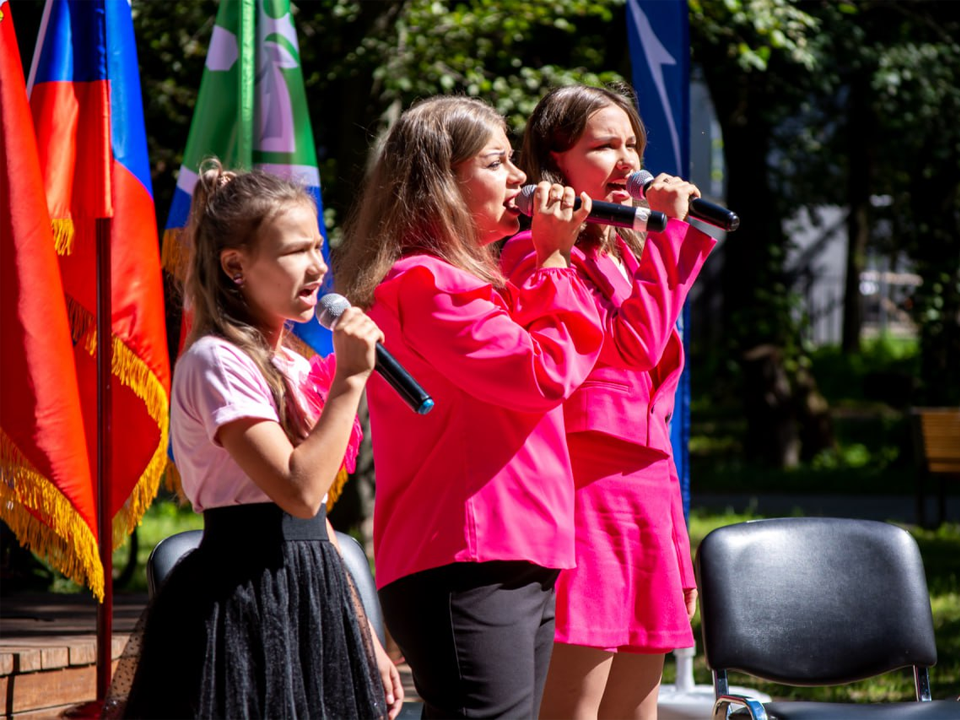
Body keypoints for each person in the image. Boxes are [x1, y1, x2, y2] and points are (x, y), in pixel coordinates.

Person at [334, 95, 604, 719]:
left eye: (515, 161)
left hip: (515, 548)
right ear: (440, 184)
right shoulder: (427, 283)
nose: (521, 178)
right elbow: (543, 372)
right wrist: (555, 260)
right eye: (497, 162)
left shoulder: (476, 280)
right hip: (468, 554)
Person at [108, 160, 404, 719]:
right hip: (242, 599)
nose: (318, 266)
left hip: (314, 592)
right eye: (296, 251)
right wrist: (348, 382)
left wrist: (362, 632)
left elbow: (310, 514)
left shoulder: (293, 358)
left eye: (318, 247)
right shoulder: (216, 359)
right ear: (236, 266)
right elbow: (296, 488)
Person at [500, 83, 718, 720]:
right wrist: (672, 233)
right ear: (555, 160)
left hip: (646, 490)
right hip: (582, 488)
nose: (628, 161)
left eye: (632, 144)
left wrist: (676, 537)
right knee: (576, 703)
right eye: (604, 146)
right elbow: (636, 347)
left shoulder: (626, 251)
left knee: (636, 708)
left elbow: (652, 394)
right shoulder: (535, 249)